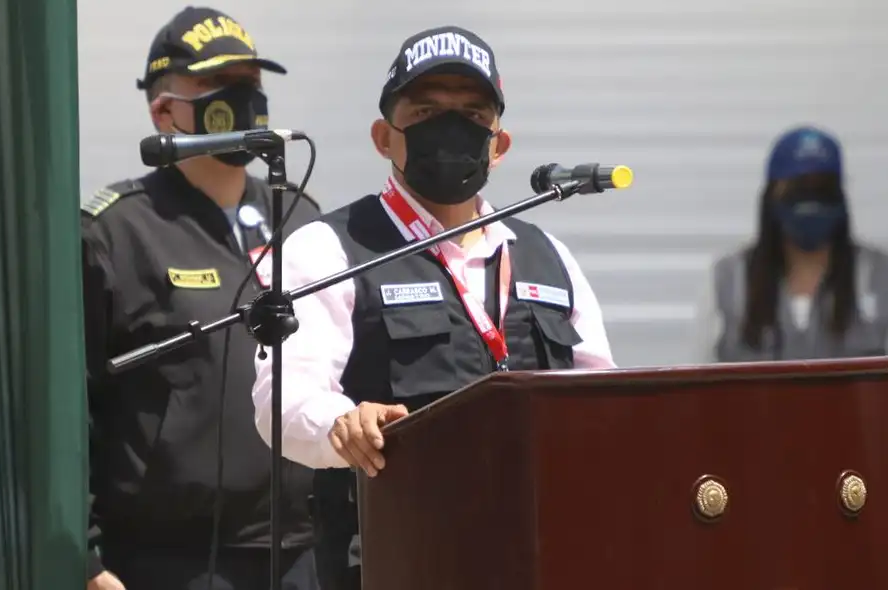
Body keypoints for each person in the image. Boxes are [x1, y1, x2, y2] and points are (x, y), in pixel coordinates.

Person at [249, 25, 616, 590]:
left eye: (472, 116)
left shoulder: (549, 256)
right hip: (390, 558)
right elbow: (283, 398)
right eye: (424, 113)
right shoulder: (328, 248)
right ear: (383, 136)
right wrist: (341, 424)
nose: (450, 129)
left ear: (500, 143)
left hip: (536, 555)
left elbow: (605, 404)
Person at [82, 6, 321, 590]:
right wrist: (88, 563)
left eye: (250, 84)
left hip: (300, 553)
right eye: (218, 85)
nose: (243, 99)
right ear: (165, 111)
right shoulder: (115, 232)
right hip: (168, 560)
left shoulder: (301, 218)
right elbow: (70, 405)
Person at [692, 125, 888, 362]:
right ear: (771, 197)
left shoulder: (883, 278)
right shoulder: (728, 281)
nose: (811, 202)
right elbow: (698, 385)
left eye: (823, 189)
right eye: (798, 189)